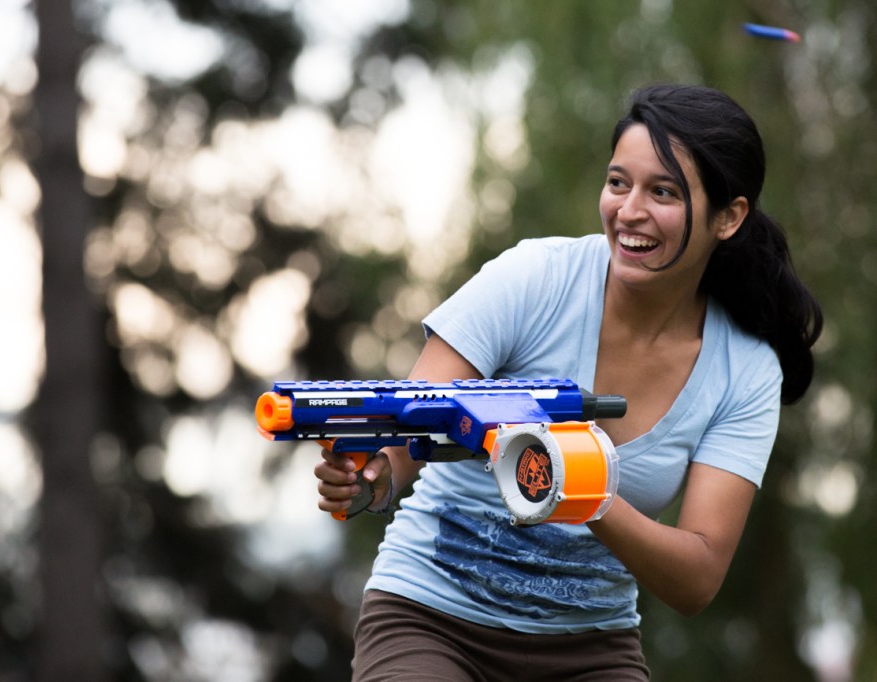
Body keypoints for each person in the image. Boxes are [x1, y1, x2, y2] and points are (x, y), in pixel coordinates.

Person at [314, 83, 823, 680]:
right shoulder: (535, 277)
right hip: (429, 617)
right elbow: (416, 419)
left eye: (663, 192)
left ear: (729, 217)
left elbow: (697, 578)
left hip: (590, 649)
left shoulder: (747, 369)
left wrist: (582, 489)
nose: (629, 211)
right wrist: (374, 478)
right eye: (618, 183)